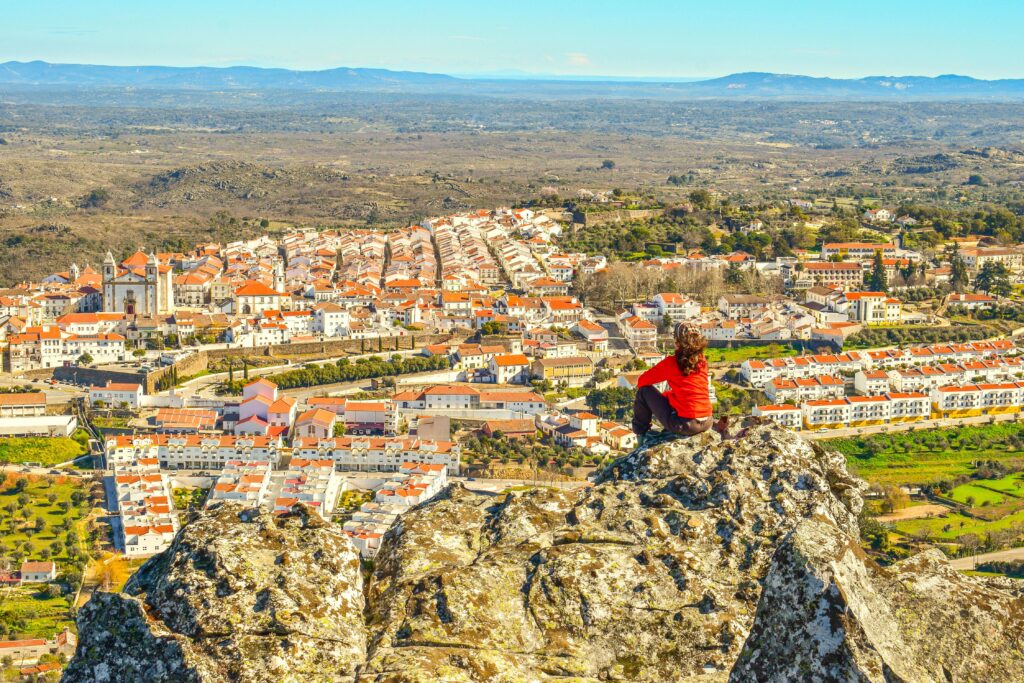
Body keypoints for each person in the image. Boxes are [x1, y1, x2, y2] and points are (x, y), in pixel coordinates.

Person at [631, 323, 726, 440]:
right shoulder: (702, 361)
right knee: (670, 398)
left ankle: (641, 434)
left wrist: (663, 398)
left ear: (677, 342)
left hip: (687, 426)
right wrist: (668, 397)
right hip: (708, 422)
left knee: (644, 391)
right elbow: (689, 391)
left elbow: (642, 381)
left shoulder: (671, 363)